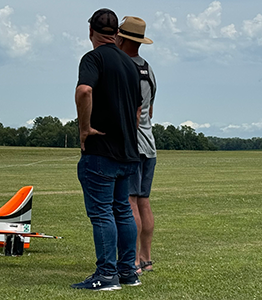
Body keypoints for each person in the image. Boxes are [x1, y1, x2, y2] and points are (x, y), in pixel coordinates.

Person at [72, 8, 143, 291]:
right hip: (128, 150)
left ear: (91, 32)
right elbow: (138, 111)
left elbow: (84, 91)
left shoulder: (93, 58)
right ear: (116, 34)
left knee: (102, 213)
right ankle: (128, 272)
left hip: (101, 150)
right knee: (122, 210)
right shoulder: (130, 65)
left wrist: (84, 128)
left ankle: (106, 275)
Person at [116, 16, 157, 275]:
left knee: (130, 202)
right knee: (144, 201)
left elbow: (133, 112)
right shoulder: (148, 69)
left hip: (132, 146)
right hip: (149, 144)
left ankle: (131, 262)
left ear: (122, 38)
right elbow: (150, 111)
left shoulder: (123, 68)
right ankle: (146, 258)